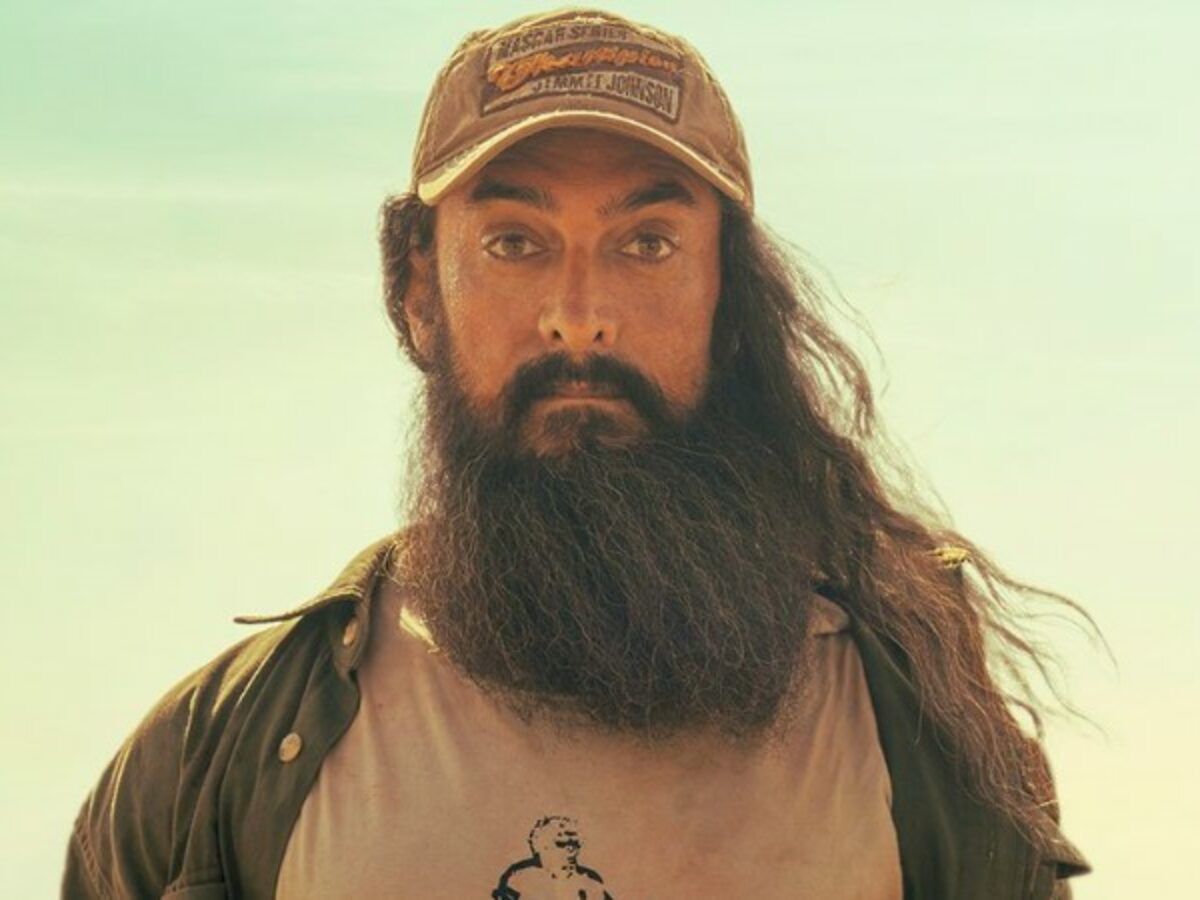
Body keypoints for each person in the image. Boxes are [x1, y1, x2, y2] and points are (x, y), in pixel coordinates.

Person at [62, 8, 1090, 898]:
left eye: (648, 244)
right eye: (514, 242)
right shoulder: (228, 753)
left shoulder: (912, 735)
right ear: (418, 293)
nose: (580, 316)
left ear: (730, 301)